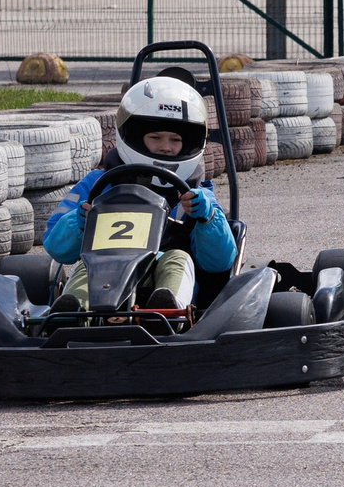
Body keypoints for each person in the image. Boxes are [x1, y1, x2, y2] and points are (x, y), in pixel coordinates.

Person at [43, 76, 237, 311]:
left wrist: (206, 219)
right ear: (133, 136)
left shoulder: (195, 196)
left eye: (175, 140)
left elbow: (219, 263)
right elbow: (55, 246)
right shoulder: (97, 184)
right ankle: (73, 313)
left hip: (163, 268)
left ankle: (168, 309)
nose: (165, 147)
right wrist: (78, 222)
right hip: (104, 268)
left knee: (178, 257)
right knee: (86, 265)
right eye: (155, 138)